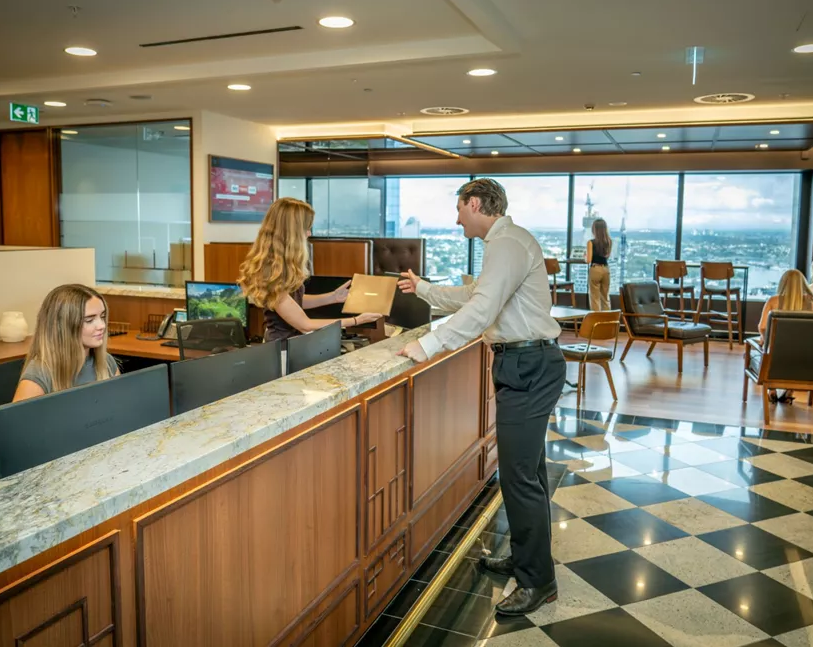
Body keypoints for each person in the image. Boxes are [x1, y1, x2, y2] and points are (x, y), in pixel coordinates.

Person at [397, 178, 564, 616]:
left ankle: (537, 581)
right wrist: (424, 288)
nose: (457, 220)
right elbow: (474, 296)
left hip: (528, 365)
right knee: (528, 473)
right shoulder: (506, 243)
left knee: (518, 478)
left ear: (474, 204)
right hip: (525, 363)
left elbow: (481, 310)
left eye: (459, 210)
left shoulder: (506, 244)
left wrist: (427, 346)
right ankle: (529, 559)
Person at [237, 197, 381, 345]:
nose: (309, 233)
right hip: (281, 350)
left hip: (293, 345)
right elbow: (304, 324)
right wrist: (356, 320)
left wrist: (332, 297)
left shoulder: (282, 266)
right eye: (306, 228)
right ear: (292, 232)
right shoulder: (270, 271)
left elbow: (293, 304)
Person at [13, 284, 120, 402]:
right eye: (89, 320)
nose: (102, 325)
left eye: (102, 317)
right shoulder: (40, 373)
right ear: (63, 327)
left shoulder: (106, 362)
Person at [758, 269, 813, 404]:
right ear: (803, 284)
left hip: (777, 355)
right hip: (802, 358)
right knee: (798, 354)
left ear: (783, 283)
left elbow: (762, 327)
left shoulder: (773, 301)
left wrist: (765, 340)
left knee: (765, 350)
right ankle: (790, 391)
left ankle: (771, 388)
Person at [586, 217, 612, 311]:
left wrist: (585, 256)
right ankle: (608, 318)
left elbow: (588, 260)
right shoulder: (609, 241)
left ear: (594, 229)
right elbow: (607, 256)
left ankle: (597, 318)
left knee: (594, 298)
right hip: (606, 269)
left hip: (595, 269)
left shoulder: (591, 242)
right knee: (605, 297)